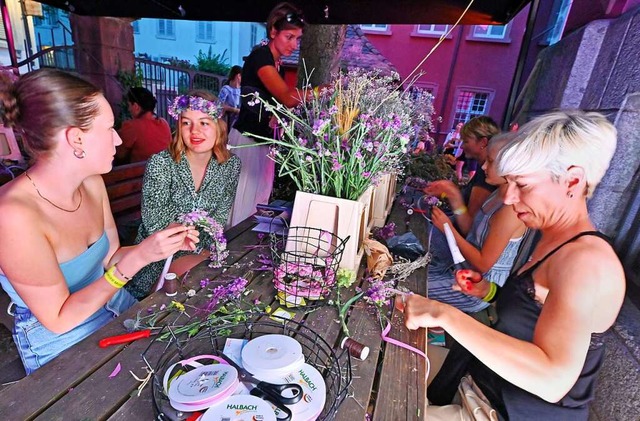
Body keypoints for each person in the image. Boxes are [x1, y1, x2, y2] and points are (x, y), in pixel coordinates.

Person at [399, 111, 625, 419]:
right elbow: (532, 312)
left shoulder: (587, 263)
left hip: (503, 411)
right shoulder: (553, 239)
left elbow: (552, 379)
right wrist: (488, 291)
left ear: (572, 180)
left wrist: (446, 314)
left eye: (523, 184)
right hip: (479, 383)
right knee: (393, 348)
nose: (509, 198)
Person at [0, 69, 199, 374]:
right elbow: (58, 318)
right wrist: (135, 262)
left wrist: (156, 247)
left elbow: (110, 259)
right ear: (76, 138)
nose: (119, 138)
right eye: (109, 128)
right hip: (61, 339)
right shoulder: (13, 215)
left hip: (116, 306)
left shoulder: (91, 182)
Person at [125, 90, 241, 300]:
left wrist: (204, 252)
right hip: (157, 260)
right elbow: (155, 222)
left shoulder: (231, 165)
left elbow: (220, 217)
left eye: (204, 123)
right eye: (186, 123)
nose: (194, 131)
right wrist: (193, 254)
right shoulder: (161, 163)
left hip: (202, 254)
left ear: (219, 126)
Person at [228, 2, 317, 227]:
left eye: (297, 38)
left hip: (263, 140)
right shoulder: (261, 57)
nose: (294, 44)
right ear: (273, 32)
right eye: (289, 37)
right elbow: (287, 97)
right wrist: (320, 91)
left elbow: (280, 104)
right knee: (244, 204)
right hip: (247, 140)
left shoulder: (277, 64)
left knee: (257, 202)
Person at [427, 132, 527, 316]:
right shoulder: (497, 194)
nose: (483, 166)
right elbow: (470, 231)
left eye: (490, 162)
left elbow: (483, 265)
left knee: (408, 285)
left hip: (476, 287)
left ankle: (436, 326)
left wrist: (448, 229)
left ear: (511, 167)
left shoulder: (510, 210)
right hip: (461, 269)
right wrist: (454, 197)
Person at [425, 116, 500, 236]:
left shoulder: (486, 176)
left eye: (466, 141)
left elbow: (468, 229)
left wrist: (454, 196)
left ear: (483, 142)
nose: (461, 146)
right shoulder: (483, 171)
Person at [115, 87, 172, 164]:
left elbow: (119, 154)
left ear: (135, 106)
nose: (129, 109)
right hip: (165, 170)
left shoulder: (132, 126)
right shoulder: (164, 123)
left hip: (141, 174)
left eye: (129, 105)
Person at [219, 65, 242, 131]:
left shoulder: (242, 90)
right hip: (228, 121)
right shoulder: (226, 89)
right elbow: (220, 105)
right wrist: (235, 110)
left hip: (239, 122)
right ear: (238, 76)